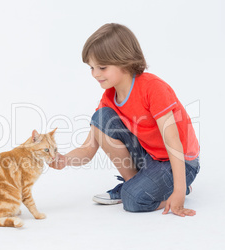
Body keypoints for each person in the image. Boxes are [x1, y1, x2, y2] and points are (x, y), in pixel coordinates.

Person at [49, 23, 200, 217]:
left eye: (102, 67)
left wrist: (178, 191)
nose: (95, 74)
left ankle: (175, 189)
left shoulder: (152, 88)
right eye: (91, 68)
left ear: (124, 62)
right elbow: (88, 149)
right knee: (101, 119)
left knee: (133, 200)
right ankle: (135, 184)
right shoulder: (109, 98)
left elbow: (173, 141)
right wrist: (65, 160)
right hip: (150, 155)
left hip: (180, 161)